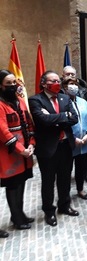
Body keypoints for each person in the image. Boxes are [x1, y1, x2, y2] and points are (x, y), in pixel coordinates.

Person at [29, 70, 79, 227]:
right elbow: (42, 120)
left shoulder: (64, 97)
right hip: (48, 149)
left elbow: (75, 118)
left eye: (58, 80)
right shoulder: (35, 100)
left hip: (66, 146)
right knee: (48, 181)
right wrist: (65, 116)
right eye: (53, 81)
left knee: (65, 179)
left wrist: (55, 119)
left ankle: (64, 205)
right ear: (44, 83)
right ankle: (49, 211)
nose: (57, 83)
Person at [0, 69, 35, 231]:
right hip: (10, 153)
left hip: (25, 152)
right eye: (9, 83)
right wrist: (21, 149)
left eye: (14, 82)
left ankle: (19, 214)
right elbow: (3, 131)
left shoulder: (20, 100)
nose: (13, 86)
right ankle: (17, 218)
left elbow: (28, 123)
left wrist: (32, 144)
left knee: (21, 183)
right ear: (1, 86)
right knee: (13, 185)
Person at [61, 77, 87, 200]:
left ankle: (80, 189)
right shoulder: (62, 102)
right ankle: (65, 193)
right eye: (70, 84)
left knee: (82, 167)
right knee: (66, 170)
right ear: (64, 87)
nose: (73, 86)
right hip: (69, 142)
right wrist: (73, 138)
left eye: (75, 84)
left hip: (84, 141)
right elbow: (62, 123)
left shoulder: (83, 102)